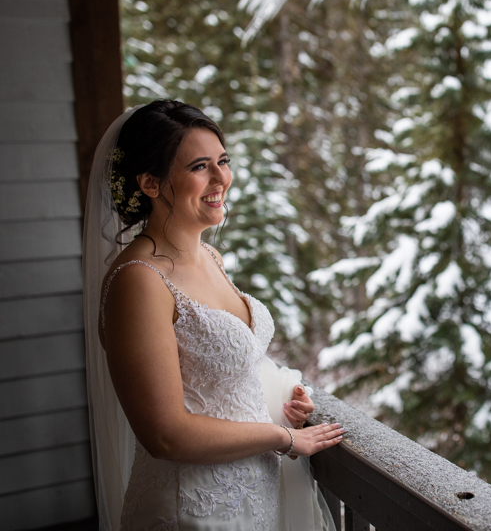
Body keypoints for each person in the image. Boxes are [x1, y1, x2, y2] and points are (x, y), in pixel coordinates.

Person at [82, 100, 342, 531]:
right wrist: (283, 438)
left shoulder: (209, 255)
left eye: (223, 161)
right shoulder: (138, 282)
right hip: (194, 508)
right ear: (150, 182)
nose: (222, 179)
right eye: (200, 166)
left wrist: (280, 405)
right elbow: (164, 433)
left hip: (255, 494)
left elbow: (217, 374)